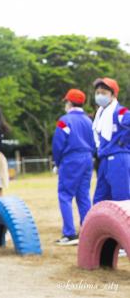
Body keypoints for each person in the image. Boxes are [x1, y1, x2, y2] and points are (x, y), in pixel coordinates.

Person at [51, 89, 95, 245]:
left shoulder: (65, 120)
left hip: (71, 159)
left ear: (69, 102)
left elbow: (58, 144)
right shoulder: (89, 121)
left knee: (65, 195)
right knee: (83, 196)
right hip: (88, 158)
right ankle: (90, 232)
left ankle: (69, 234)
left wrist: (57, 162)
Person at [92, 78, 130, 203]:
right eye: (97, 93)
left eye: (103, 93)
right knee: (99, 200)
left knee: (121, 198)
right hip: (104, 159)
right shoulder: (100, 114)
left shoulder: (120, 111)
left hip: (118, 158)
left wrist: (121, 142)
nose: (99, 96)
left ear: (113, 95)